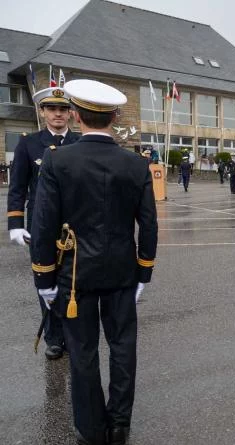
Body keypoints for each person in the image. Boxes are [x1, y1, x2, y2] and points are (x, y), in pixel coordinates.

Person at [31, 79, 157, 445]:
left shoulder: (57, 159)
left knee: (83, 351)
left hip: (74, 274)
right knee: (122, 347)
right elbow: (148, 223)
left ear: (74, 114)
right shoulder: (135, 163)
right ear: (115, 117)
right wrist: (144, 271)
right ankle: (119, 423)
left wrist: (44, 278)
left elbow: (44, 223)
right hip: (121, 269)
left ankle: (91, 427)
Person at [7, 86, 80, 360]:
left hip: (74, 225)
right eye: (52, 109)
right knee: (45, 278)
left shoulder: (79, 142)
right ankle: (54, 337)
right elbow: (18, 186)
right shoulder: (29, 143)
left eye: (63, 109)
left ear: (71, 113)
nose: (58, 114)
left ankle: (73, 335)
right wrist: (16, 223)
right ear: (43, 112)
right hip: (40, 223)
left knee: (73, 281)